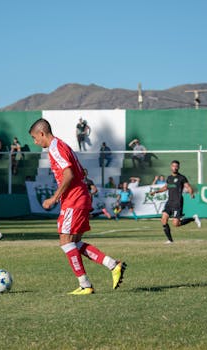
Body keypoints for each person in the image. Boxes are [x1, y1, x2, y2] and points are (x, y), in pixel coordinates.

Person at [29, 118, 125, 295]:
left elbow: (69, 174)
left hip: (74, 199)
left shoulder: (55, 147)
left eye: (35, 138)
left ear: (42, 133)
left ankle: (85, 285)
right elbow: (79, 171)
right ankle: (113, 264)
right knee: (75, 242)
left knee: (65, 241)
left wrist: (54, 198)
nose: (35, 142)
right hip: (80, 196)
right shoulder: (62, 145)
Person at [149, 160, 201, 244]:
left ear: (179, 167)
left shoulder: (182, 178)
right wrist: (156, 192)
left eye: (176, 166)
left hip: (177, 202)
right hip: (169, 202)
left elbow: (188, 186)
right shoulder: (169, 178)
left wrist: (191, 193)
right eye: (173, 166)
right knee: (163, 220)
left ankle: (193, 218)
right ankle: (170, 240)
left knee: (176, 224)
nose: (175, 167)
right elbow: (166, 187)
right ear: (171, 167)